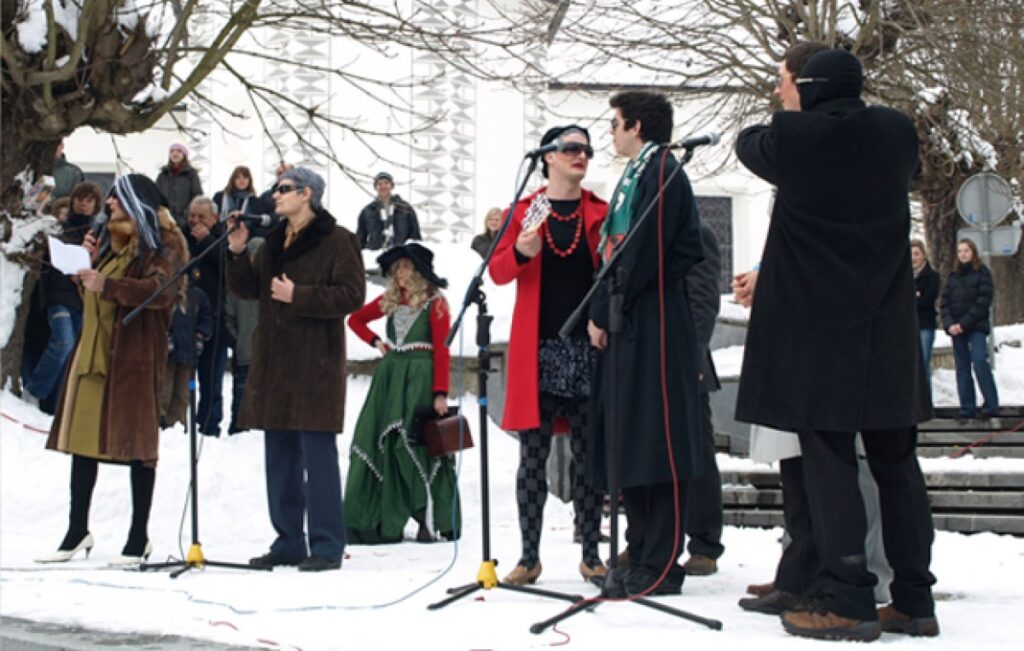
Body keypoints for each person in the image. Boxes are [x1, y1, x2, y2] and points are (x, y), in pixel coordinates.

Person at [736, 48, 937, 641]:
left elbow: (749, 143)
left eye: (785, 84)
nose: (779, 94)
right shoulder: (898, 134)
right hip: (889, 333)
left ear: (810, 88)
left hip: (822, 339)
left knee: (829, 467)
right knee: (899, 466)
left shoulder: (794, 140)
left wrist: (793, 113)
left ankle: (848, 599)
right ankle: (914, 600)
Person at [586, 92, 704, 597]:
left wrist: (605, 306)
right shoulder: (638, 175)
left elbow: (644, 250)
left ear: (636, 125)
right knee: (631, 436)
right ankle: (641, 545)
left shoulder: (663, 172)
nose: (609, 133)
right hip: (630, 319)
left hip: (653, 319)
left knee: (657, 440)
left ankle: (661, 560)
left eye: (615, 124)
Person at [37, 174, 188, 565]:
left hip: (135, 357)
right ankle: (76, 531)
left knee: (138, 446)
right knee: (83, 441)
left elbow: (161, 291)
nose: (108, 205)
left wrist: (106, 283)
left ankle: (139, 537)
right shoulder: (109, 239)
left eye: (117, 199)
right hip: (95, 351)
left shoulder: (165, 243)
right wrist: (84, 271)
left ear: (137, 202)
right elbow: (94, 295)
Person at [226, 167, 365, 572]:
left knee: (317, 457)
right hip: (275, 364)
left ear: (308, 194)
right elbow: (248, 289)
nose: (275, 195)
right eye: (275, 189)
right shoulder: (271, 242)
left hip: (314, 364)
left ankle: (326, 544)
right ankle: (288, 540)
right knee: (280, 458)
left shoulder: (338, 240)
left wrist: (298, 295)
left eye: (284, 190)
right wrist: (236, 252)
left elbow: (352, 295)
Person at [489, 125, 608, 585]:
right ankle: (528, 557)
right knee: (533, 457)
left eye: (586, 149)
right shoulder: (527, 210)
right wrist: (519, 251)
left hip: (586, 347)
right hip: (536, 349)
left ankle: (592, 554)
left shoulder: (598, 210)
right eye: (572, 148)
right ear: (548, 158)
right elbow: (498, 273)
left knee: (587, 454)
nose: (582, 155)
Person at [345, 243, 460, 543]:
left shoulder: (435, 304)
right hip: (391, 376)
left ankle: (427, 517)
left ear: (420, 272)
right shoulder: (390, 300)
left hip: (419, 378)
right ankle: (376, 519)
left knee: (415, 445)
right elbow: (354, 319)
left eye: (407, 267)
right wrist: (376, 342)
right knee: (376, 439)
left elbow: (442, 350)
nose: (401, 273)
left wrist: (440, 393)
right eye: (397, 268)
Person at [24, 182, 103, 408]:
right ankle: (34, 391)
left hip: (82, 299)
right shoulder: (58, 228)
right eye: (80, 198)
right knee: (63, 341)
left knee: (73, 354)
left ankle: (57, 403)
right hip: (57, 295)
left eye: (89, 200)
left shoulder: (97, 232)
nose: (83, 204)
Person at [680, 220, 724, 576]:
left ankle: (705, 543)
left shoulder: (698, 231)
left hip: (686, 360)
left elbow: (704, 299)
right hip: (645, 361)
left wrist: (692, 354)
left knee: (697, 455)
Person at [184, 196, 229, 436]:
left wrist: (207, 241)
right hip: (184, 319)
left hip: (215, 319)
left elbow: (227, 267)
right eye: (192, 215)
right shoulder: (181, 237)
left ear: (214, 218)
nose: (195, 221)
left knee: (212, 380)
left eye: (201, 217)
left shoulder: (223, 238)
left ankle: (210, 423)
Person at [941, 238, 999, 419]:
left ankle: (991, 404)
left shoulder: (982, 273)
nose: (963, 254)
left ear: (973, 252)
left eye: (966, 250)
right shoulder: (953, 277)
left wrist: (963, 323)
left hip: (976, 327)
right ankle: (967, 408)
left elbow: (983, 302)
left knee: (979, 360)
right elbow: (944, 304)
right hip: (956, 329)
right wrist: (950, 324)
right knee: (962, 368)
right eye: (960, 251)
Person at [161, 278, 214, 429]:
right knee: (164, 389)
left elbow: (206, 319)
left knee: (183, 392)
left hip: (188, 354)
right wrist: (166, 337)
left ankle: (176, 421)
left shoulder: (197, 296)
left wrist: (200, 336)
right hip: (168, 355)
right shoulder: (165, 292)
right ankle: (160, 420)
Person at [224, 237, 263, 435]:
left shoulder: (277, 285)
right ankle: (238, 430)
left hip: (270, 355)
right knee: (240, 396)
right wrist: (236, 340)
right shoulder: (239, 284)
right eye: (253, 255)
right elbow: (227, 317)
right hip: (245, 351)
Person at [355, 172, 422, 250]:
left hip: (400, 255)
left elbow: (415, 236)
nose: (383, 186)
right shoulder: (367, 211)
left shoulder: (405, 208)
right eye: (379, 184)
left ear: (392, 186)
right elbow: (359, 239)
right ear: (375, 187)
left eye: (386, 183)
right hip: (375, 255)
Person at [912, 239, 940, 390]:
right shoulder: (904, 278)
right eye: (911, 254)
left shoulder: (932, 276)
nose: (913, 258)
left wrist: (914, 298)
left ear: (923, 255)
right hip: (908, 325)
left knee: (923, 363)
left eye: (916, 254)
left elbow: (927, 299)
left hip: (925, 325)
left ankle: (926, 402)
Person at [156, 143, 204, 227]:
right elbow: (156, 196)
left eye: (179, 151)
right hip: (165, 221)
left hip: (186, 222)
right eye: (172, 151)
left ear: (184, 154)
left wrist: (186, 215)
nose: (175, 153)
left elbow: (197, 196)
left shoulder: (191, 174)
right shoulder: (162, 175)